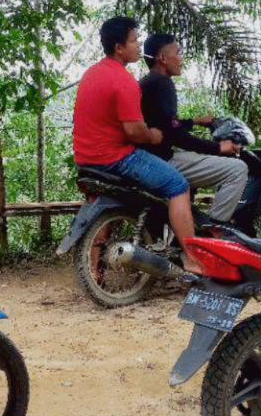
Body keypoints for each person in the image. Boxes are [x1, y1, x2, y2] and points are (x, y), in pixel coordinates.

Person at [72, 16, 202, 271]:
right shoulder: (123, 80)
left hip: (86, 159)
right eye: (134, 40)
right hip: (116, 158)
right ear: (119, 47)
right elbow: (134, 131)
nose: (138, 44)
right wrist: (153, 135)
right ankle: (193, 259)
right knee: (178, 185)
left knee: (103, 199)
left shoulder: (92, 73)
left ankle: (94, 271)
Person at [138, 33, 249, 225]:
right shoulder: (163, 83)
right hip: (160, 161)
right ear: (163, 58)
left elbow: (164, 124)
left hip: (146, 158)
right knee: (237, 169)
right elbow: (176, 135)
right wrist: (218, 147)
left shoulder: (148, 82)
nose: (181, 58)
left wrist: (195, 121)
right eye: (178, 52)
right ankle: (213, 230)